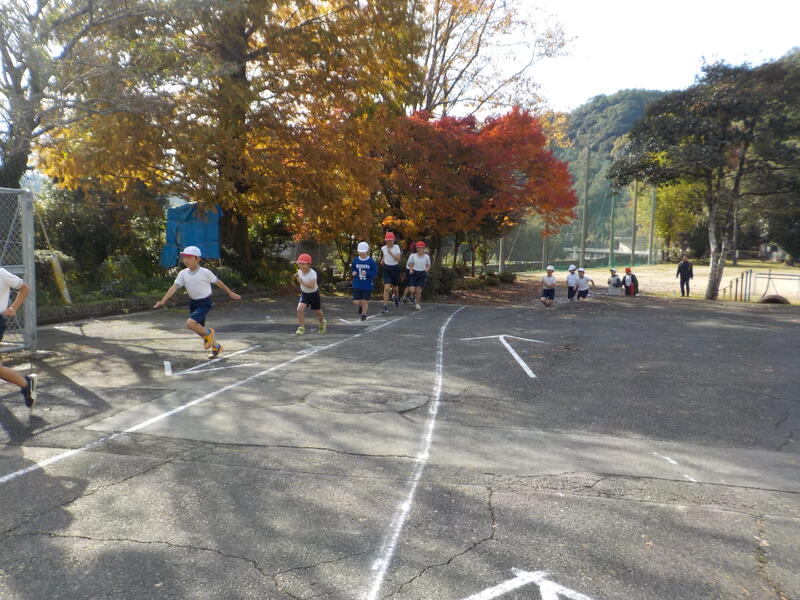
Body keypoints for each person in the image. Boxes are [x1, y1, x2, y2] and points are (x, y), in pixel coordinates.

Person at [153, 246, 241, 358]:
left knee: (190, 324)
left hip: (205, 303)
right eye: (184, 258)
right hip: (193, 303)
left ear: (198, 259)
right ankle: (216, 347)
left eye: (189, 258)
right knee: (199, 329)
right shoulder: (183, 273)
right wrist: (162, 301)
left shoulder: (205, 272)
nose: (186, 260)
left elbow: (218, 282)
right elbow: (174, 287)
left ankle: (209, 333)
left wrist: (230, 293)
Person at [0, 268, 36, 407]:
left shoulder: (1, 273)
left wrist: (13, 308)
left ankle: (26, 383)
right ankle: (26, 384)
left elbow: (24, 288)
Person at [294, 253, 326, 335]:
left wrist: (301, 282)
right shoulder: (299, 271)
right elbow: (297, 274)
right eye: (299, 263)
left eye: (303, 264)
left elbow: (312, 286)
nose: (301, 266)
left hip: (313, 294)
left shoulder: (313, 274)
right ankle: (301, 327)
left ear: (308, 264)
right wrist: (295, 275)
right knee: (299, 309)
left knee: (317, 311)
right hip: (304, 294)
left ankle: (322, 323)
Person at [351, 241, 378, 321]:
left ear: (367, 251)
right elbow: (353, 268)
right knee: (355, 301)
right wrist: (353, 272)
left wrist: (367, 273)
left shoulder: (371, 261)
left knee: (364, 301)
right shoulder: (355, 260)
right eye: (360, 252)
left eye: (363, 252)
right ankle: (361, 306)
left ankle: (364, 315)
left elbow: (374, 273)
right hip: (357, 284)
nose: (362, 253)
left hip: (367, 285)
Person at [380, 232, 402, 313]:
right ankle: (385, 306)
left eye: (390, 241)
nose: (389, 242)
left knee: (395, 288)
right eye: (387, 241)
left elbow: (399, 259)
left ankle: (395, 297)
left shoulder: (396, 247)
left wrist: (391, 254)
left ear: (393, 240)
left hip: (395, 268)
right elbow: (384, 255)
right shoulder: (383, 248)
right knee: (386, 288)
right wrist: (382, 260)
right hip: (386, 269)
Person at [406, 241, 431, 310]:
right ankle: (414, 297)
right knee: (412, 290)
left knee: (418, 290)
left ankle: (417, 304)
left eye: (421, 248)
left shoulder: (426, 257)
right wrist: (411, 269)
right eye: (418, 248)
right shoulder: (413, 256)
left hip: (422, 273)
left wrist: (427, 269)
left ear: (423, 249)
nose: (419, 249)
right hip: (414, 273)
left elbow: (428, 264)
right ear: (416, 249)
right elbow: (410, 263)